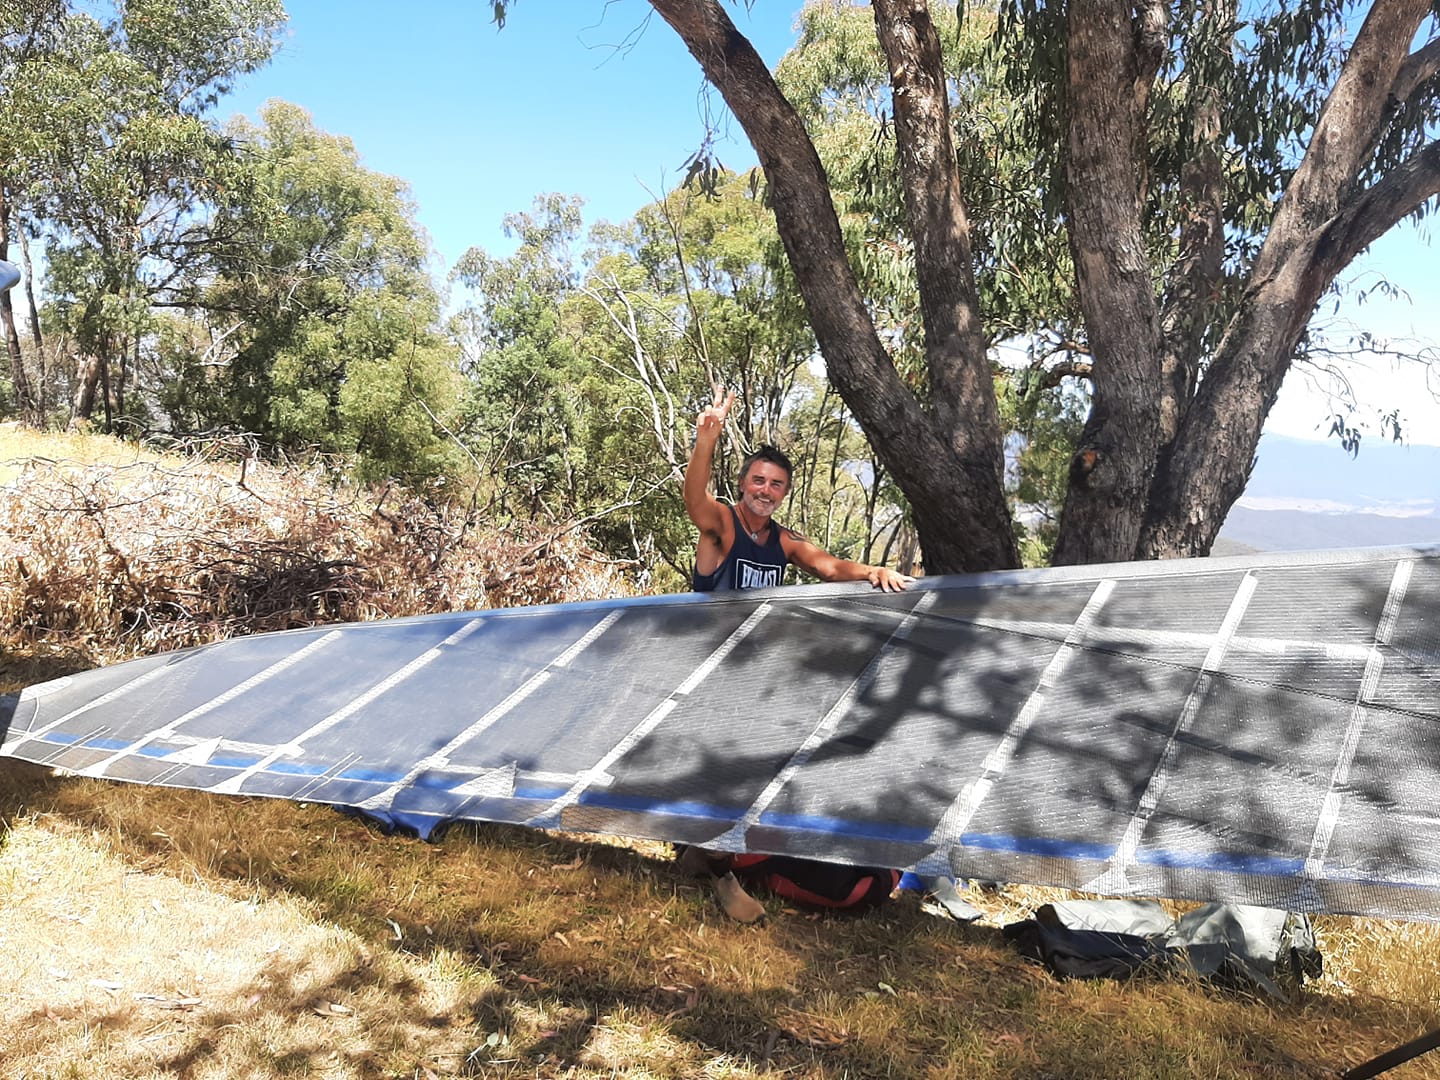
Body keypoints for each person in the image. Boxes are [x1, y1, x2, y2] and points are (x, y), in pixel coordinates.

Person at [679, 387, 913, 921]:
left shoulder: (782, 541)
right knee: (719, 770)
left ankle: (707, 854)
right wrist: (706, 438)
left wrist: (872, 572)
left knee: (756, 766)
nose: (766, 490)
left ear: (784, 493)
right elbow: (694, 500)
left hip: (757, 676)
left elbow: (828, 567)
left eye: (776, 484)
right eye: (758, 480)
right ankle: (721, 872)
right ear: (743, 484)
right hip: (710, 670)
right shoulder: (721, 525)